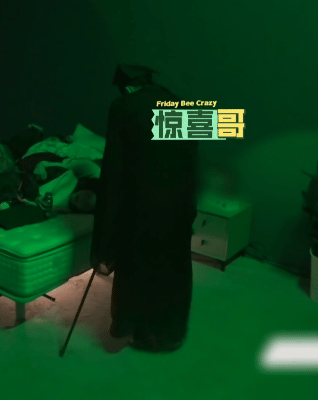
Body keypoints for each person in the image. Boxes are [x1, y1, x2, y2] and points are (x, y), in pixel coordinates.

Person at [90, 64, 200, 353]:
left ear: (127, 87)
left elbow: (113, 170)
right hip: (178, 207)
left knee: (137, 268)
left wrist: (103, 245)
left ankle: (132, 330)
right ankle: (170, 334)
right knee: (173, 267)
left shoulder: (124, 106)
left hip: (141, 207)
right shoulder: (183, 104)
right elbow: (192, 166)